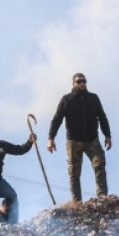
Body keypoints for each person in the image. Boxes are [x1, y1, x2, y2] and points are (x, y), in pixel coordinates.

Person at [47, 73, 113, 202]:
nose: (82, 83)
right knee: (74, 173)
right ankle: (77, 201)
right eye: (79, 81)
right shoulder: (66, 99)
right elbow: (57, 119)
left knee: (99, 164)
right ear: (73, 84)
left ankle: (102, 196)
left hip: (92, 139)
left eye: (84, 81)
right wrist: (51, 138)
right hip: (74, 141)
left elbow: (102, 117)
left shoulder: (93, 98)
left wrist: (107, 135)